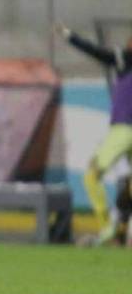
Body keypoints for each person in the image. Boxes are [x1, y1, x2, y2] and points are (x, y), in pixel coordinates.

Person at [56, 22, 132, 243]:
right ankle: (121, 225)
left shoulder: (123, 60)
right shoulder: (123, 60)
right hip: (122, 130)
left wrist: (70, 36)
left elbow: (97, 53)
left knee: (91, 176)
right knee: (126, 186)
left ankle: (108, 226)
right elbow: (98, 53)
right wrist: (71, 36)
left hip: (123, 130)